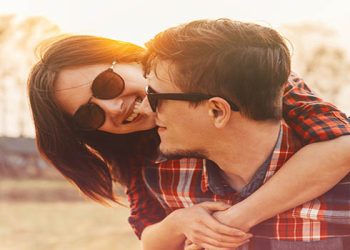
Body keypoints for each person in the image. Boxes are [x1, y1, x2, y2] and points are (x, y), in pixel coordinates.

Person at [27, 34, 350, 249]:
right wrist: (180, 222)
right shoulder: (140, 156)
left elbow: (341, 146)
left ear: (127, 57)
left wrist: (232, 221)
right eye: (88, 116)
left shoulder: (235, 75)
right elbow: (148, 235)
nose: (113, 107)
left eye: (107, 84)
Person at [140, 18, 350, 249]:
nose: (144, 109)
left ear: (217, 111)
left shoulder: (343, 188)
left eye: (154, 97)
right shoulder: (164, 177)